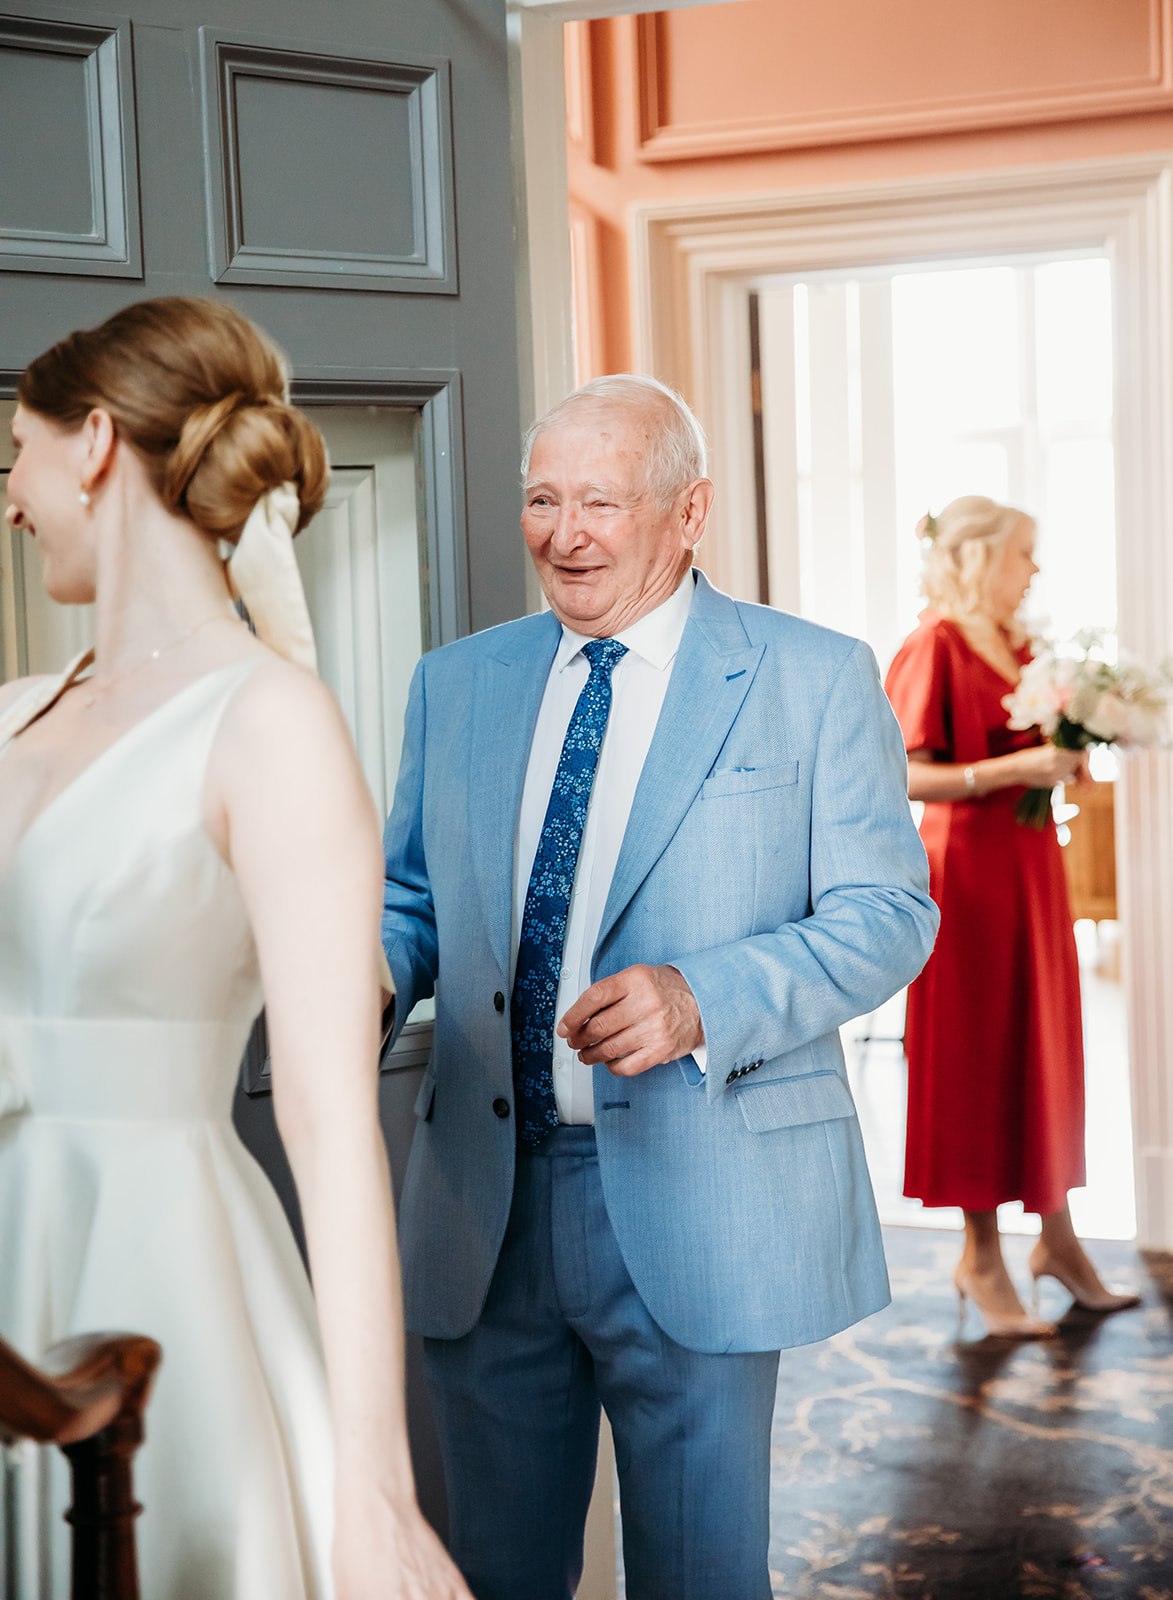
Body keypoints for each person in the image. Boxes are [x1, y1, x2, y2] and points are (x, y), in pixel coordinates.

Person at [380, 374, 938, 1600]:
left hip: (707, 1198)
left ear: (689, 513)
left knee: (700, 1576)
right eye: (542, 499)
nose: (563, 534)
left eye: (600, 502)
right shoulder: (455, 682)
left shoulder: (813, 676)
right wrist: (367, 972)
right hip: (483, 1202)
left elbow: (889, 915)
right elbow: (411, 898)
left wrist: (702, 996)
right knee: (495, 1572)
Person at [0, 298, 471, 1600]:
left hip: (156, 1269)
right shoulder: (8, 715)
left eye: (18, 454)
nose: (10, 497)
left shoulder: (273, 725)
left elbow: (329, 1122)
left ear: (97, 442)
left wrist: (376, 1493)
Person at [884, 495, 1140, 1338]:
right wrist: (1011, 771)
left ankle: (1057, 1243)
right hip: (963, 873)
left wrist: (1068, 758)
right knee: (976, 1052)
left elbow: (1038, 751)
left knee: (1043, 1045)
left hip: (1031, 868)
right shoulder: (934, 645)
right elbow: (903, 775)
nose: (1034, 568)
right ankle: (981, 1257)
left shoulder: (1022, 647)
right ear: (978, 558)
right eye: (1023, 552)